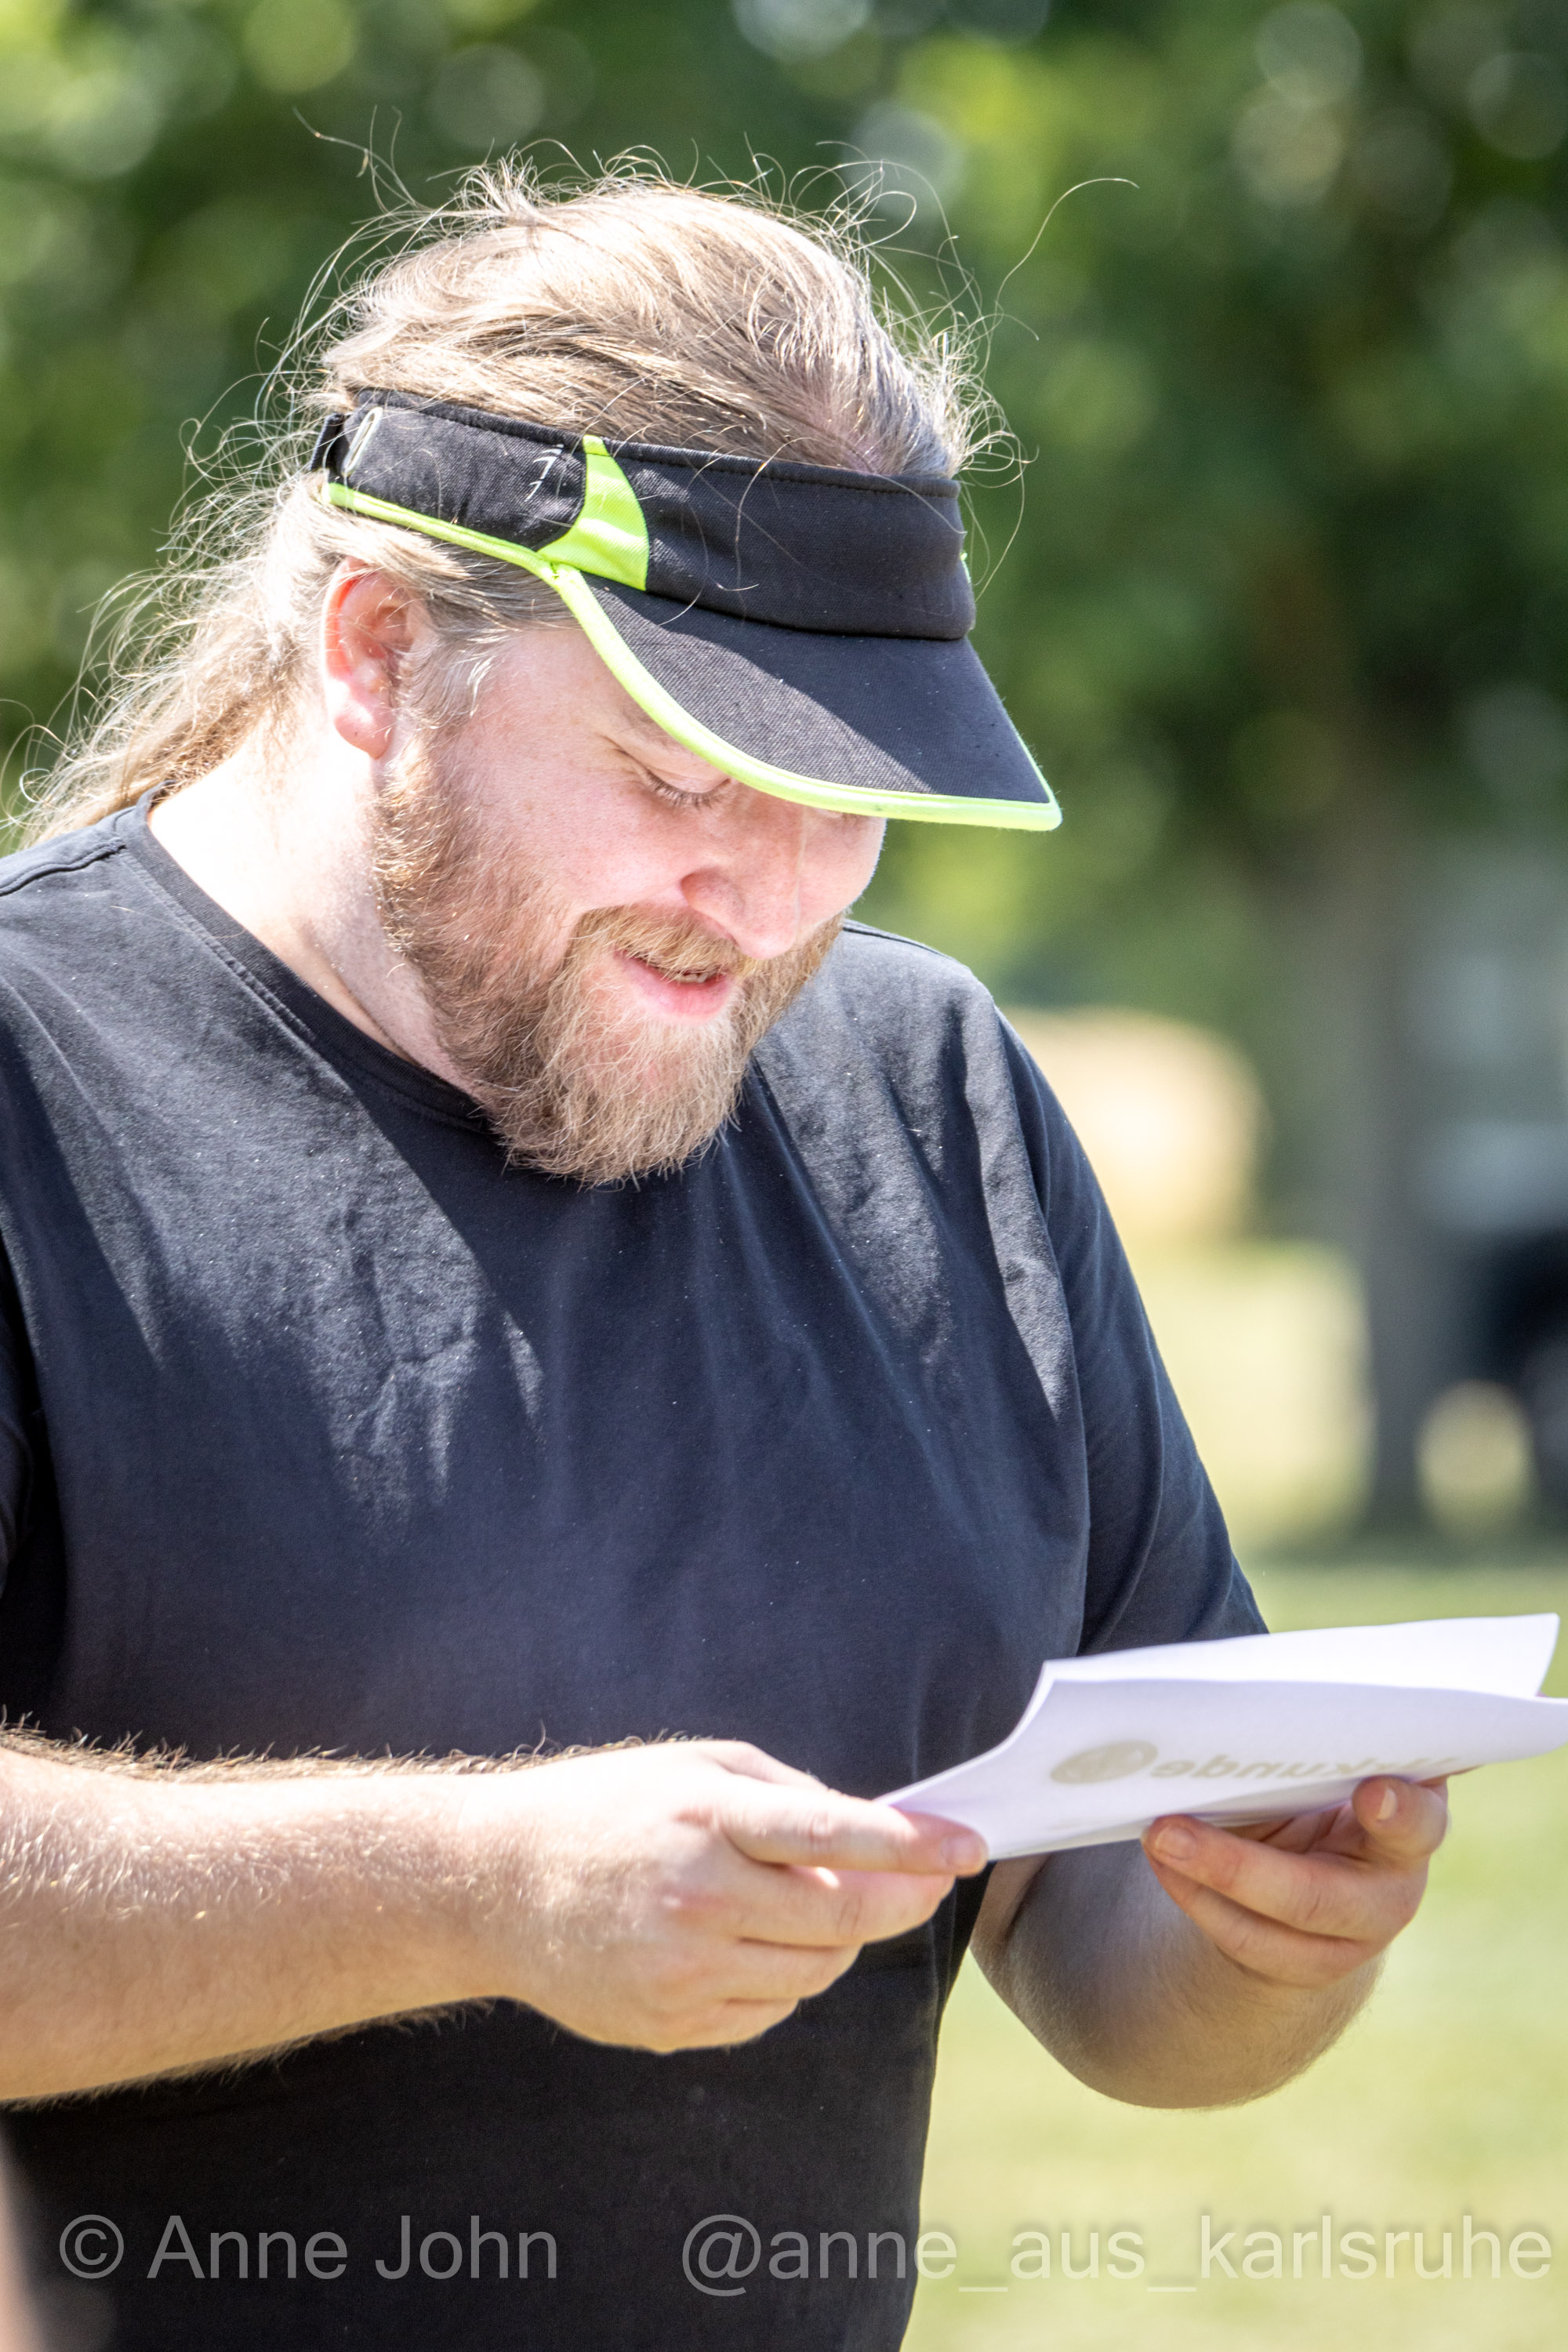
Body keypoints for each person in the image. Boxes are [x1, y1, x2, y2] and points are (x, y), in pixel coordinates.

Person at [0, 170, 1444, 2352]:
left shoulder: (935, 1098)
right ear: (378, 654)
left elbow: (1104, 1963)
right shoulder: (38, 1093)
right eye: (682, 770)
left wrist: (1266, 1945)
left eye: (845, 795)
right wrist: (486, 1891)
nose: (768, 905)